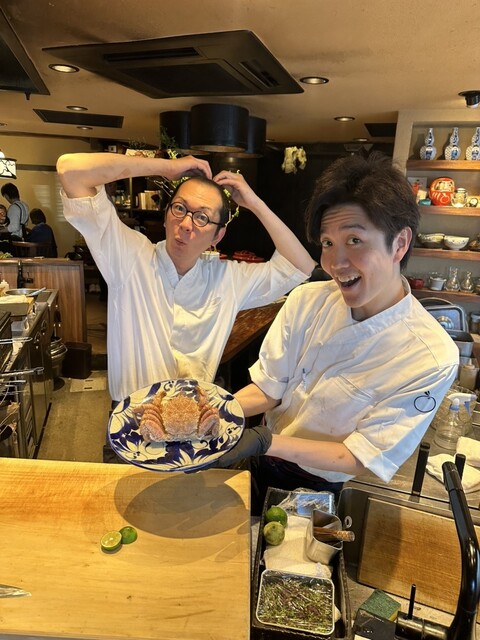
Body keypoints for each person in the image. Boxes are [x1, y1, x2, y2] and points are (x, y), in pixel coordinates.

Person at [210, 153, 459, 513]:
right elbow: (269, 388)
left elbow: (357, 456)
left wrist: (265, 441)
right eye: (327, 243)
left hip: (321, 485)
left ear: (400, 243)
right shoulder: (307, 299)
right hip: (262, 458)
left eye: (354, 240)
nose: (335, 262)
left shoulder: (430, 356)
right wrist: (216, 411)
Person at [56, 152, 315, 404]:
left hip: (194, 419)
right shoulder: (130, 258)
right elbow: (70, 169)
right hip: (132, 421)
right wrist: (165, 167)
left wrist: (255, 203)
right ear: (166, 216)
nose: (186, 224)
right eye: (179, 208)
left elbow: (300, 266)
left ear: (218, 236)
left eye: (202, 217)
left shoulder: (227, 279)